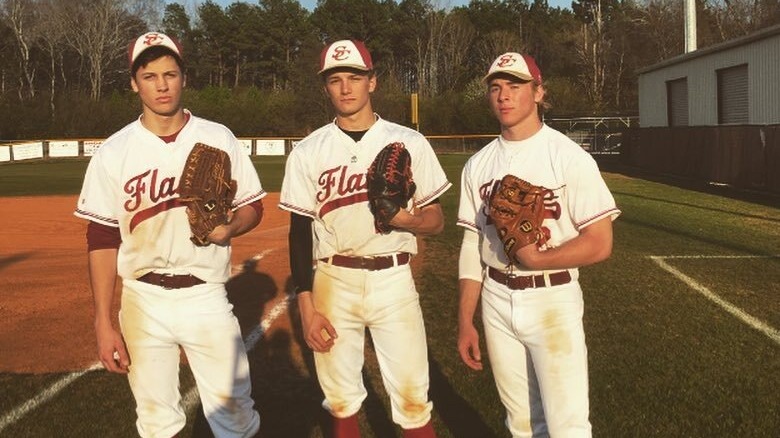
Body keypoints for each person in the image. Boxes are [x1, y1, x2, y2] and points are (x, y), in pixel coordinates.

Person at [74, 31, 263, 438]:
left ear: (183, 78)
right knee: (157, 422)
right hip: (144, 299)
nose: (161, 85)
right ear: (133, 82)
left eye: (170, 74)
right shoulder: (114, 151)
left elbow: (253, 205)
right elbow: (102, 239)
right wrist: (103, 322)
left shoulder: (218, 137)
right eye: (149, 75)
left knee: (235, 414)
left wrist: (231, 227)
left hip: (205, 292)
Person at [279, 39, 451, 438]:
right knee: (340, 398)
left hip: (392, 279)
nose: (345, 87)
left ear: (372, 82)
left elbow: (438, 221)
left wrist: (405, 218)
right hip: (333, 280)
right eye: (335, 79)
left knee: (412, 397)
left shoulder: (409, 141)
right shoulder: (308, 151)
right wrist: (306, 305)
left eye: (354, 77)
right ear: (326, 87)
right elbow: (299, 233)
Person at [456, 52, 621, 437]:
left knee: (567, 426)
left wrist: (537, 258)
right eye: (496, 88)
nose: (504, 96)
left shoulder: (568, 157)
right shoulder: (477, 164)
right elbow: (470, 245)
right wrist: (466, 318)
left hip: (553, 300)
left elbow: (600, 243)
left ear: (539, 92)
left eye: (515, 86)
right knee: (522, 422)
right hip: (495, 299)